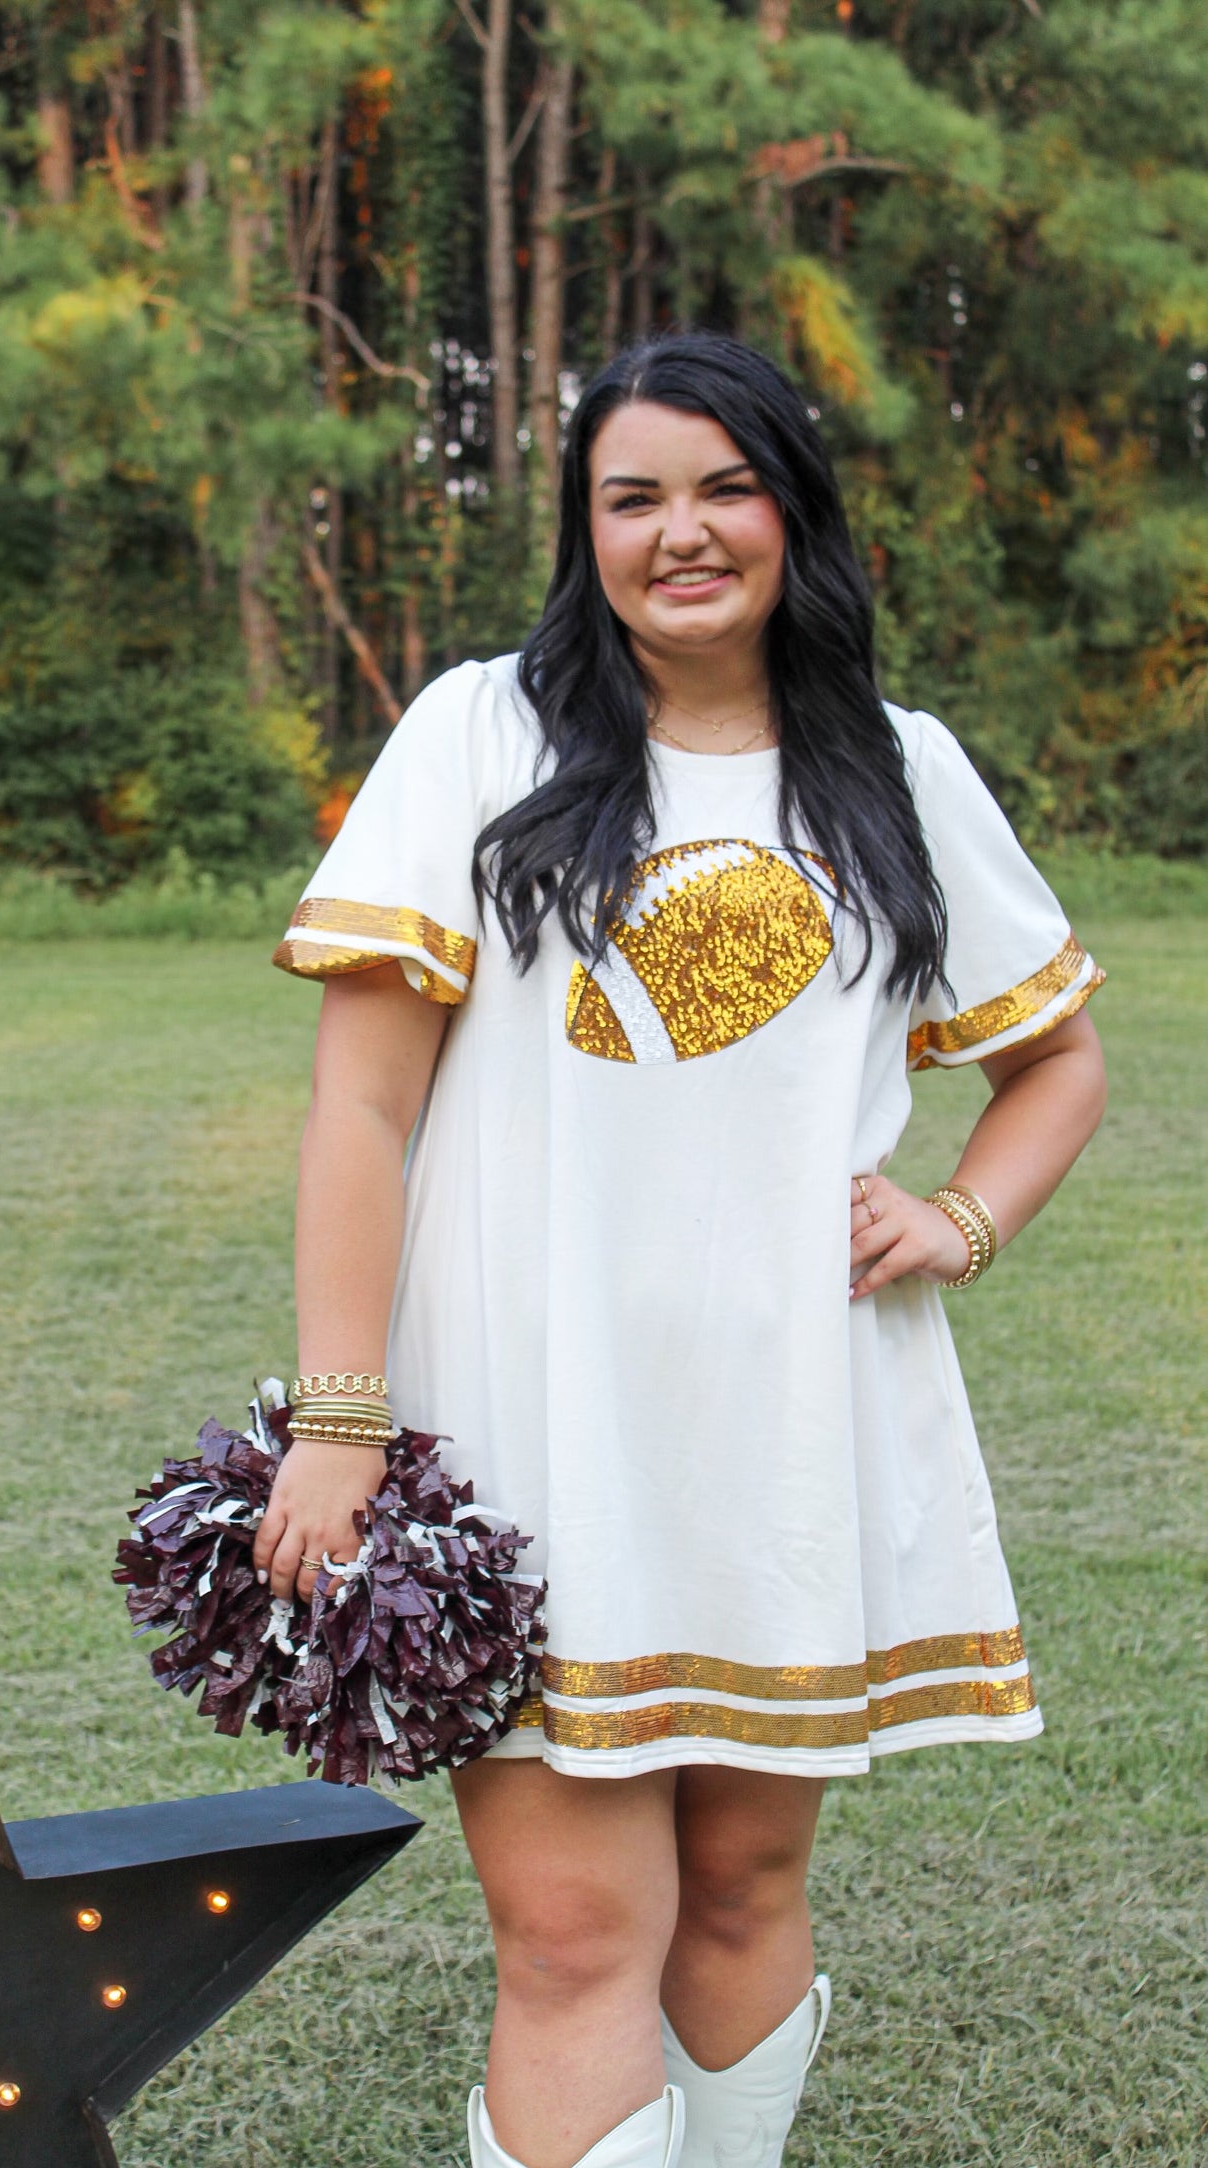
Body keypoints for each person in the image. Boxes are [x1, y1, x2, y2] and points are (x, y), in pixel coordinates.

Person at [259, 331, 1107, 2168]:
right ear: (584, 530)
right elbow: (363, 1110)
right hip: (524, 1428)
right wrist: (342, 1415)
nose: (682, 533)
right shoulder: (485, 730)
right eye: (631, 497)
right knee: (572, 1935)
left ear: (793, 511)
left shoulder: (900, 769)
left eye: (724, 487)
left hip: (786, 1430)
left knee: (735, 1898)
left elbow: (1055, 1059)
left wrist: (956, 1216)